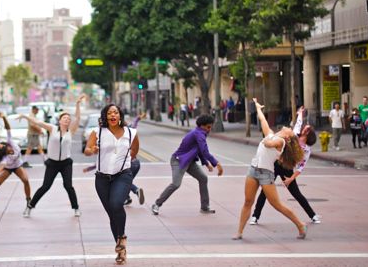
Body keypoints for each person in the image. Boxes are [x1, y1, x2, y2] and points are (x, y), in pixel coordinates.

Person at [233, 98, 307, 240]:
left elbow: (270, 144)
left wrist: (267, 142)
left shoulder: (281, 141)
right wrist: (258, 108)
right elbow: (263, 121)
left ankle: (300, 224)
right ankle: (239, 232)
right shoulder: (272, 134)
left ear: (288, 137)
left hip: (266, 174)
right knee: (248, 201)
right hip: (253, 170)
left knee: (276, 204)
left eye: (290, 130)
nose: (288, 128)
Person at [84, 104, 140, 265]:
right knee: (111, 214)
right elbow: (87, 149)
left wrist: (127, 160)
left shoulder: (131, 132)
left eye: (115, 112)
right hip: (102, 179)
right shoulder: (98, 132)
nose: (113, 115)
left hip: (123, 175)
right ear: (105, 117)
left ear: (120, 115)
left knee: (116, 204)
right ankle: (121, 251)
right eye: (109, 113)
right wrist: (92, 150)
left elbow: (135, 150)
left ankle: (121, 238)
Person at [250, 106, 321, 225]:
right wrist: (300, 113)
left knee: (296, 194)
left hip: (288, 168)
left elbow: (301, 167)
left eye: (307, 128)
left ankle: (312, 215)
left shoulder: (306, 150)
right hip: (276, 164)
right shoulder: (295, 134)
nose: (304, 127)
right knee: (265, 192)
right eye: (305, 127)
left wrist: (291, 179)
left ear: (308, 134)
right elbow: (298, 123)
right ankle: (255, 216)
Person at [22, 94, 85, 218]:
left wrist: (77, 104)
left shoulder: (71, 131)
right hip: (53, 163)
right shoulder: (52, 128)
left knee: (68, 186)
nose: (67, 120)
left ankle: (76, 208)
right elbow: (37, 122)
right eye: (64, 118)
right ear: (60, 120)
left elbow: (77, 118)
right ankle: (30, 207)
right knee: (46, 186)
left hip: (66, 163)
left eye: (68, 118)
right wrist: (25, 116)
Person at [151, 114, 224, 216]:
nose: (209, 129)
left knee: (203, 178)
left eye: (210, 127)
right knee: (176, 184)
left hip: (189, 162)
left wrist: (206, 164)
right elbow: (204, 150)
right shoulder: (198, 134)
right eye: (208, 127)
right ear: (202, 126)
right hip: (178, 161)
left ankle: (204, 207)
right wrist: (217, 164)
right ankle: (156, 204)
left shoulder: (199, 133)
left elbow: (199, 150)